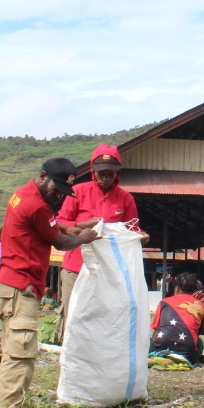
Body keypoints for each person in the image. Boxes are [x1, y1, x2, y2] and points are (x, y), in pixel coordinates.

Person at [0, 158, 102, 408]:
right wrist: (83, 237)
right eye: (57, 191)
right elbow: (61, 242)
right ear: (43, 177)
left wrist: (72, 226)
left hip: (12, 285)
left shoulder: (24, 194)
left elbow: (52, 225)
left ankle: (13, 404)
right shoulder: (36, 205)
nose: (58, 198)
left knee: (14, 349)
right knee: (22, 351)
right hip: (21, 287)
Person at [54, 144, 143, 344]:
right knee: (74, 314)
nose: (105, 178)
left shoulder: (126, 199)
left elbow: (133, 229)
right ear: (93, 172)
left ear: (117, 174)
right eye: (101, 174)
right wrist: (81, 225)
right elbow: (60, 223)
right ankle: (72, 360)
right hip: (75, 268)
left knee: (104, 316)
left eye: (110, 174)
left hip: (108, 271)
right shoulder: (77, 192)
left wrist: (140, 237)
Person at [150, 272, 204, 359]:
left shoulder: (164, 302)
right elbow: (197, 333)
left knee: (151, 341)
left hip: (160, 347)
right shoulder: (201, 305)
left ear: (176, 288)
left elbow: (155, 329)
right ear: (194, 290)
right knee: (199, 342)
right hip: (187, 352)